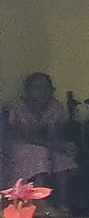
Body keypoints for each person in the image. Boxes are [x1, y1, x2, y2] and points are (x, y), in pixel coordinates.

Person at [1, 72, 78, 207]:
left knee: (62, 157)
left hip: (45, 143)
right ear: (28, 90)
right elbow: (25, 135)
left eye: (45, 88)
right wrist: (55, 145)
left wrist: (62, 145)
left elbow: (54, 134)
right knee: (39, 154)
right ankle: (38, 203)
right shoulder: (17, 108)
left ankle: (62, 203)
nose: (42, 92)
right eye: (36, 88)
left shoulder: (54, 107)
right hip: (17, 145)